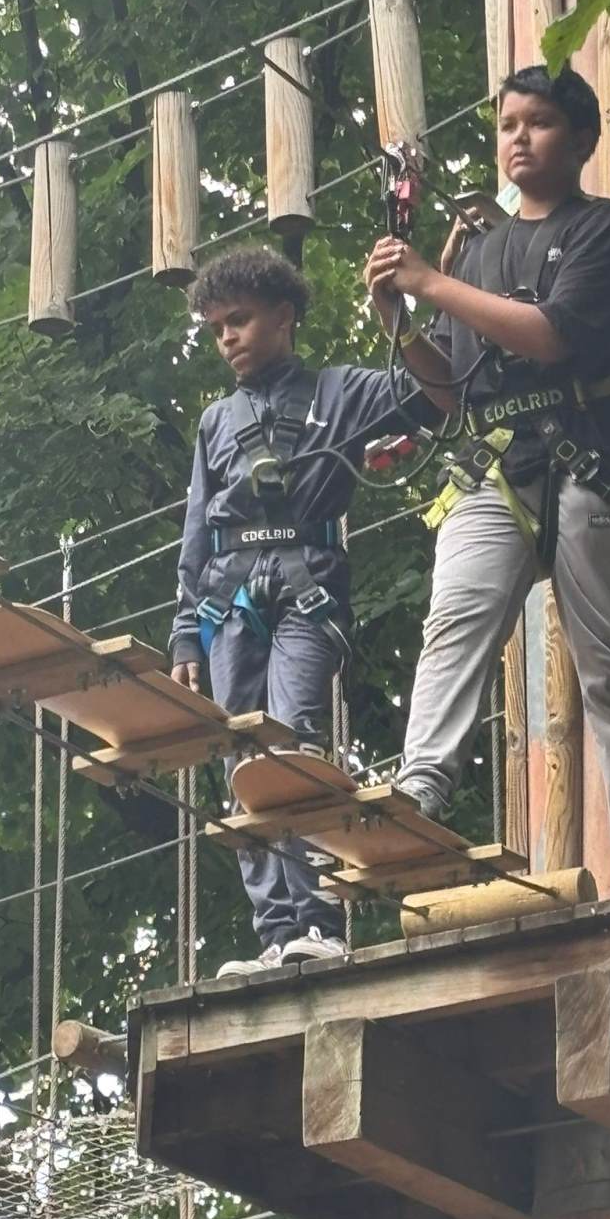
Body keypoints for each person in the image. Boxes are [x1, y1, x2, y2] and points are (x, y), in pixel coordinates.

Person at [363, 64, 610, 893]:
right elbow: (448, 388)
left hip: (591, 458)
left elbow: (551, 336)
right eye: (507, 125)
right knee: (454, 620)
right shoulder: (479, 252)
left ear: (581, 139)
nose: (519, 139)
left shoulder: (604, 231)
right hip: (497, 460)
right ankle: (420, 787)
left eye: (538, 123)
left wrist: (430, 281)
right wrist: (399, 320)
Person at [170, 246, 433, 975]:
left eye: (240, 319)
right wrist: (186, 633)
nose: (227, 336)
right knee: (242, 758)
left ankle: (317, 922)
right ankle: (275, 932)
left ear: (284, 316)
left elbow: (428, 385)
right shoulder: (216, 422)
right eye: (216, 327)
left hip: (307, 587)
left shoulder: (340, 393)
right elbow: (197, 529)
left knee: (293, 743)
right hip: (228, 598)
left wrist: (402, 309)